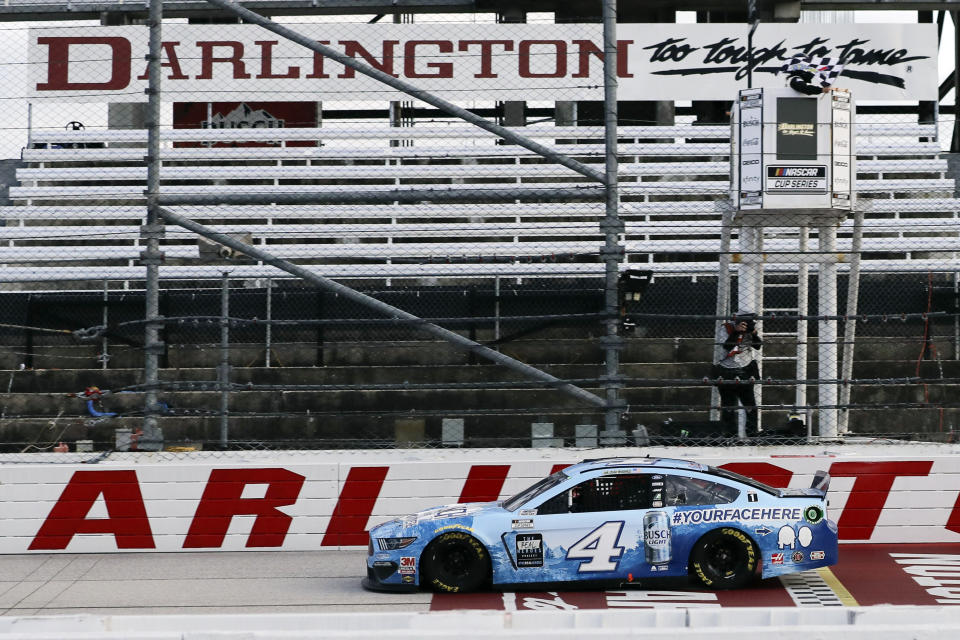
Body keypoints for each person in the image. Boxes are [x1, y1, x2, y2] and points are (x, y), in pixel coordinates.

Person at [714, 311, 762, 436]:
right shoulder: (726, 328)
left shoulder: (751, 330)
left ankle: (752, 434)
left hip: (745, 368)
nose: (745, 325)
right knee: (728, 406)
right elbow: (727, 347)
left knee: (750, 405)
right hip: (727, 369)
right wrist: (736, 331)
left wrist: (754, 333)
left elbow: (758, 346)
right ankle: (730, 435)